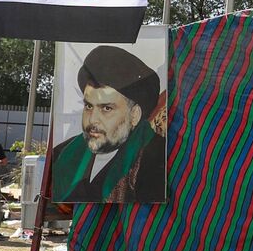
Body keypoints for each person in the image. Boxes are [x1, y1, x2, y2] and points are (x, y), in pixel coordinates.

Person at [51, 46, 167, 203]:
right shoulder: (62, 153)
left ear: (134, 115)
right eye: (89, 106)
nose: (92, 120)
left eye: (106, 108)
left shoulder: (157, 158)